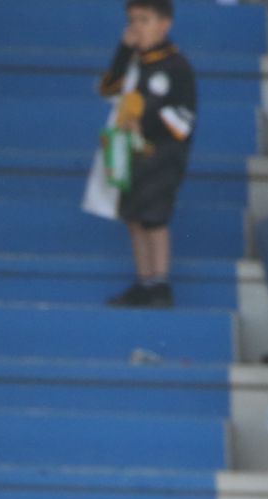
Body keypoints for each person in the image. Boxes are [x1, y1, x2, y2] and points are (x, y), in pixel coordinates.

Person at [93, 0, 192, 309]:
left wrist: (146, 118)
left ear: (165, 24)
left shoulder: (177, 67)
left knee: (155, 218)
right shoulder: (135, 62)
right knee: (133, 217)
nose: (137, 28)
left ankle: (160, 282)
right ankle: (144, 279)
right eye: (132, 21)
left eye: (145, 20)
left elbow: (183, 119)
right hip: (129, 152)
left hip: (162, 155)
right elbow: (109, 88)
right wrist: (123, 51)